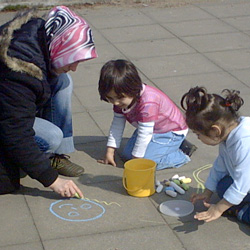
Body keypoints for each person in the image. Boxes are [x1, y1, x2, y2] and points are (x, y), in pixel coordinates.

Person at [0, 6, 97, 197]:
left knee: (64, 80)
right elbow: (16, 133)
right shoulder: (16, 75)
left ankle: (57, 155)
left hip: (10, 105)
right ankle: (45, 156)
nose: (75, 67)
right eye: (73, 60)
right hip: (6, 122)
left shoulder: (40, 34)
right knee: (52, 137)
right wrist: (52, 180)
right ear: (61, 48)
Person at [98, 59, 192, 170]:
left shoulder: (148, 102)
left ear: (132, 88)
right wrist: (110, 151)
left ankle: (181, 154)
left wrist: (137, 161)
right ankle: (165, 148)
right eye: (110, 98)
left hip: (170, 132)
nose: (116, 103)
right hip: (151, 129)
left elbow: (144, 133)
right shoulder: (120, 99)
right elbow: (117, 125)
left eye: (120, 98)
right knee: (127, 155)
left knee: (146, 162)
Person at [181, 86, 250, 224]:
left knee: (232, 192)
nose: (198, 138)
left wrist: (218, 209)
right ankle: (236, 204)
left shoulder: (244, 143)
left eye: (198, 134)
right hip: (246, 180)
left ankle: (241, 211)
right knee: (222, 186)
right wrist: (207, 192)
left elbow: (243, 183)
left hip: (246, 181)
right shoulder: (229, 134)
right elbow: (220, 165)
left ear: (215, 131)